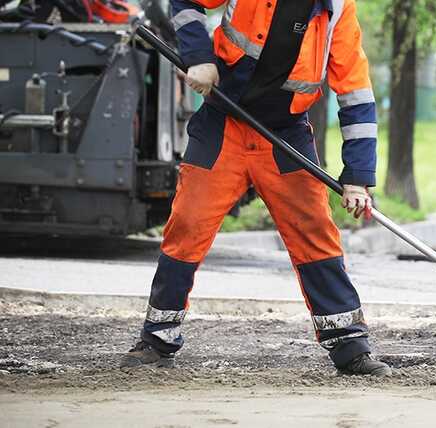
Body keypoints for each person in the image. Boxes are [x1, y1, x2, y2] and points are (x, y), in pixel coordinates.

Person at [119, 0, 391, 377]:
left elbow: (356, 92)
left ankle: (350, 346)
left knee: (314, 232)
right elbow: (185, 3)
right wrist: (199, 57)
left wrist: (358, 176)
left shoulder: (339, 10)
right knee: (188, 224)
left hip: (285, 134)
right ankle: (157, 337)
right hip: (224, 122)